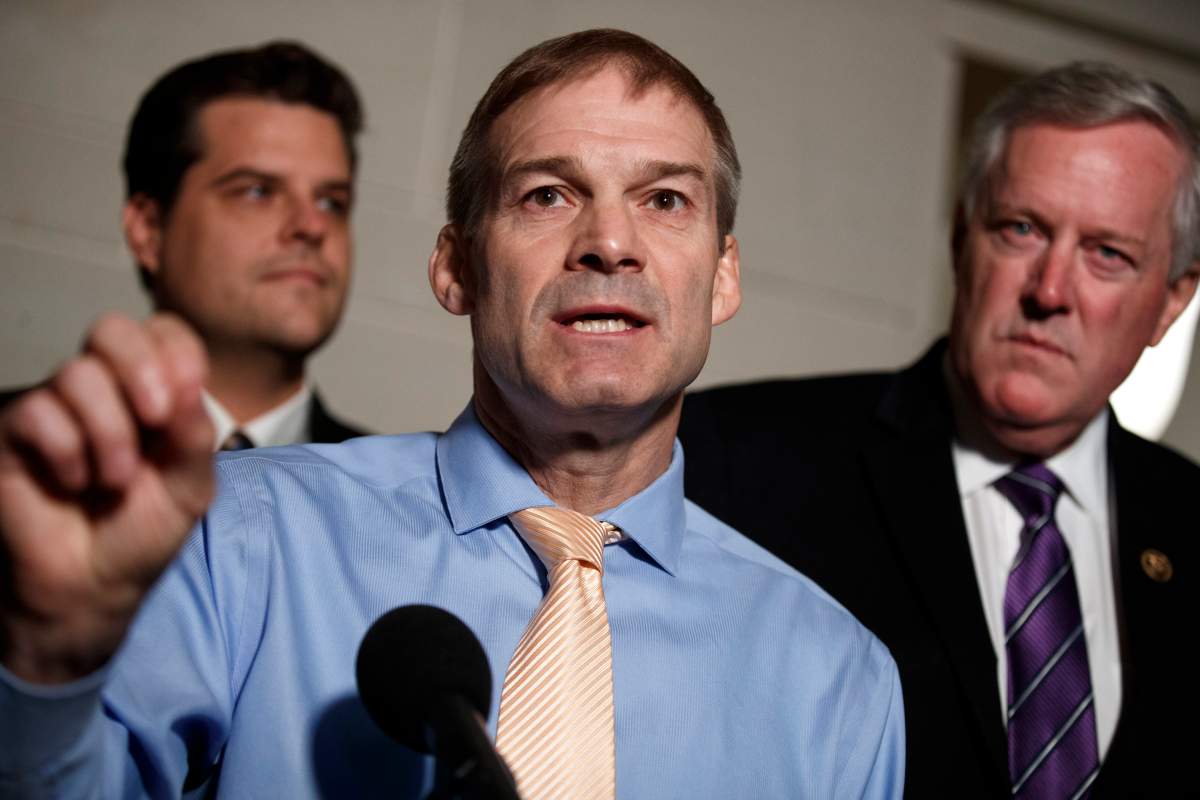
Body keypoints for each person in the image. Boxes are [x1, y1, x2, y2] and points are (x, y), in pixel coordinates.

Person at [0, 29, 903, 798]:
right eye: (548, 194)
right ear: (455, 268)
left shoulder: (840, 679)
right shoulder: (240, 535)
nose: (611, 242)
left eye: (665, 201)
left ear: (724, 275)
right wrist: (47, 670)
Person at [680, 61, 1199, 798]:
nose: (1050, 292)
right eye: (1021, 229)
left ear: (1172, 302)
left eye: (1107, 254)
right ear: (962, 239)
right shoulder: (731, 461)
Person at [0, 41, 367, 448]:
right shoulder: (13, 453)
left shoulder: (403, 501)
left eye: (331, 202)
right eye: (257, 192)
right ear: (148, 230)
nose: (313, 225)